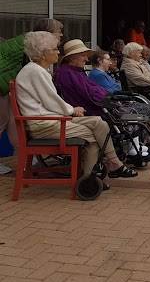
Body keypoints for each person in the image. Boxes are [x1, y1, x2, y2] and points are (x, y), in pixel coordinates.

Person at [15, 32, 137, 179]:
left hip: (51, 120)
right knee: (94, 137)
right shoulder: (36, 72)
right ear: (43, 53)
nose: (58, 52)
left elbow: (51, 101)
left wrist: (71, 110)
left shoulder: (37, 70)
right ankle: (89, 178)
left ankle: (110, 165)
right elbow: (51, 101)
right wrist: (72, 110)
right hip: (45, 125)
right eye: (54, 49)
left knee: (99, 122)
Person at [54, 42, 150, 157]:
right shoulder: (69, 73)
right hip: (92, 108)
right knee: (134, 111)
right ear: (72, 57)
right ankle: (135, 147)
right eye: (83, 55)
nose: (86, 59)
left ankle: (138, 144)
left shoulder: (76, 72)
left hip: (98, 103)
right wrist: (109, 98)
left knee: (139, 109)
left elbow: (97, 89)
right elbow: (90, 93)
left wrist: (108, 96)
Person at [0, 19, 64, 175]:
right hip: (2, 86)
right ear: (47, 32)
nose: (61, 35)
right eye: (58, 31)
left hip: (6, 86)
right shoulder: (34, 44)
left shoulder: (31, 43)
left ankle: (27, 158)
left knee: (14, 123)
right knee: (2, 122)